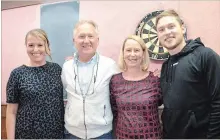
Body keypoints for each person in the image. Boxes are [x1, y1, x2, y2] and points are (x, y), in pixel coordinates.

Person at [155, 9, 220, 138]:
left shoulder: (205, 56)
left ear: (183, 28)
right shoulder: (165, 66)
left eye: (171, 26)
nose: (167, 33)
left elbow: (218, 101)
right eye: (161, 30)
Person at [61, 20, 119, 139]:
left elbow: (116, 96)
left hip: (102, 134)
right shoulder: (66, 67)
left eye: (90, 36)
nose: (86, 40)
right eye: (81, 36)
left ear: (97, 40)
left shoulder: (110, 65)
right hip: (72, 133)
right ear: (74, 41)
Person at [6, 29, 64, 139]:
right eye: (31, 45)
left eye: (40, 45)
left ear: (47, 46)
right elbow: (11, 112)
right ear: (26, 46)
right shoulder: (17, 74)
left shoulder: (56, 69)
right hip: (26, 135)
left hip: (55, 134)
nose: (35, 49)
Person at [110, 35, 163, 139]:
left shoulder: (155, 80)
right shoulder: (115, 81)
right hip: (123, 136)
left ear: (143, 54)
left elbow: (163, 103)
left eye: (137, 50)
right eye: (128, 50)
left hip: (151, 137)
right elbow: (114, 110)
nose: (132, 54)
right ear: (123, 53)